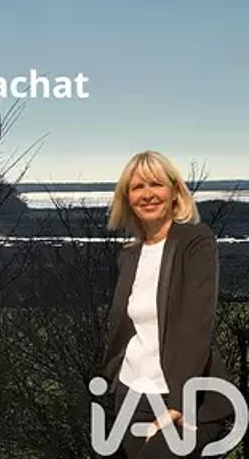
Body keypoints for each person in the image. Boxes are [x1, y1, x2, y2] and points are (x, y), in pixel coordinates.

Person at [99, 151, 235, 458]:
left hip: (186, 398)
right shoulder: (129, 255)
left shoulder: (195, 242)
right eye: (137, 187)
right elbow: (125, 326)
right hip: (133, 395)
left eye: (156, 184)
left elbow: (195, 324)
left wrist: (179, 402)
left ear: (174, 192)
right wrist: (112, 374)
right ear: (127, 198)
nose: (147, 194)